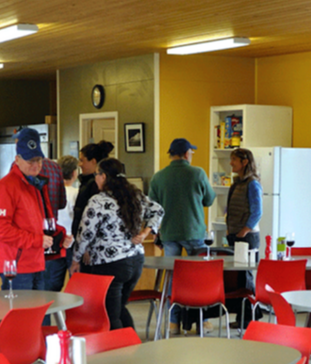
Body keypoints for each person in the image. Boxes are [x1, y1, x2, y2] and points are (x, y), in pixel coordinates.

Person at [73, 158, 163, 330]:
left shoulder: (98, 201)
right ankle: (133, 347)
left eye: (97, 174)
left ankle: (122, 352)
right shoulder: (135, 195)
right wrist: (144, 233)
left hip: (109, 264)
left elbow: (86, 233)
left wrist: (76, 259)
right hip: (135, 260)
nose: (96, 178)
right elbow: (158, 210)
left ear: (104, 176)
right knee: (119, 308)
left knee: (110, 314)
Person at [0, 128, 71, 292]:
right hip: (16, 265)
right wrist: (36, 241)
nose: (36, 165)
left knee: (38, 314)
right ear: (17, 159)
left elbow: (38, 223)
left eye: (38, 160)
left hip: (37, 262)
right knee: (19, 315)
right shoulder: (5, 187)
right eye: (30, 160)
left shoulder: (36, 185)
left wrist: (59, 236)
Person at [148, 138, 216, 333]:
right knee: (199, 277)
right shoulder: (197, 173)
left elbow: (153, 207)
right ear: (187, 153)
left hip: (168, 232)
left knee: (172, 277)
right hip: (194, 231)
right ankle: (201, 321)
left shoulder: (159, 177)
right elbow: (209, 199)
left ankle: (174, 322)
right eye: (191, 153)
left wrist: (155, 232)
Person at [225, 146, 263, 272]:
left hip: (247, 236)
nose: (231, 163)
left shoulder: (252, 184)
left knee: (245, 275)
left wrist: (244, 231)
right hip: (235, 234)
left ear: (244, 162)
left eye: (234, 159)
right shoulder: (236, 183)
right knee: (235, 275)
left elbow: (257, 212)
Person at [45, 155, 80, 292]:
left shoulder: (51, 191)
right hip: (72, 240)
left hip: (54, 240)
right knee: (75, 283)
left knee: (52, 283)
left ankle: (51, 310)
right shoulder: (75, 193)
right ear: (74, 173)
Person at [71, 141, 114, 243]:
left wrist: (87, 245)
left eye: (82, 160)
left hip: (91, 241)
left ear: (93, 161)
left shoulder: (95, 185)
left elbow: (94, 218)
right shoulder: (87, 182)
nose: (79, 164)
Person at [40, 154, 67, 290]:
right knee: (50, 285)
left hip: (31, 233)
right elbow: (62, 203)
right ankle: (48, 310)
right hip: (51, 231)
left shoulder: (19, 167)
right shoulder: (55, 167)